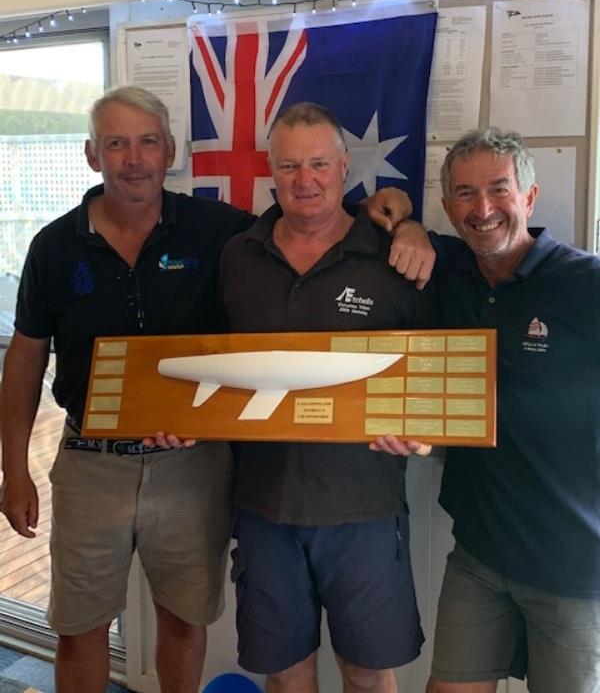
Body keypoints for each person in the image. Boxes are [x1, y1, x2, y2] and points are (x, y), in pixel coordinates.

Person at [0, 86, 255, 693]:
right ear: (92, 155)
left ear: (170, 152)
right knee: (79, 629)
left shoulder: (222, 232)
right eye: (116, 143)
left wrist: (398, 216)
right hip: (91, 466)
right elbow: (26, 360)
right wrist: (13, 470)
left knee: (184, 621)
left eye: (146, 142)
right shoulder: (53, 247)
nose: (133, 158)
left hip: (192, 466)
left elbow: (311, 227)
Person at [218, 102, 437, 693]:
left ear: (345, 168)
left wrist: (422, 429)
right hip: (263, 506)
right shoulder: (239, 254)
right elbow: (213, 365)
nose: (304, 180)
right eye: (289, 166)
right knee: (287, 676)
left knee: (368, 675)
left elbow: (435, 371)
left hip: (363, 508)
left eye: (318, 163)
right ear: (271, 171)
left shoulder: (397, 255)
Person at [373, 128, 600, 693]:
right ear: (449, 208)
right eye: (466, 195)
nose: (483, 209)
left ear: (528, 196)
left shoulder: (586, 284)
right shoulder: (448, 269)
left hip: (573, 563)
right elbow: (383, 207)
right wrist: (407, 224)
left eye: (499, 190)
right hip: (479, 550)